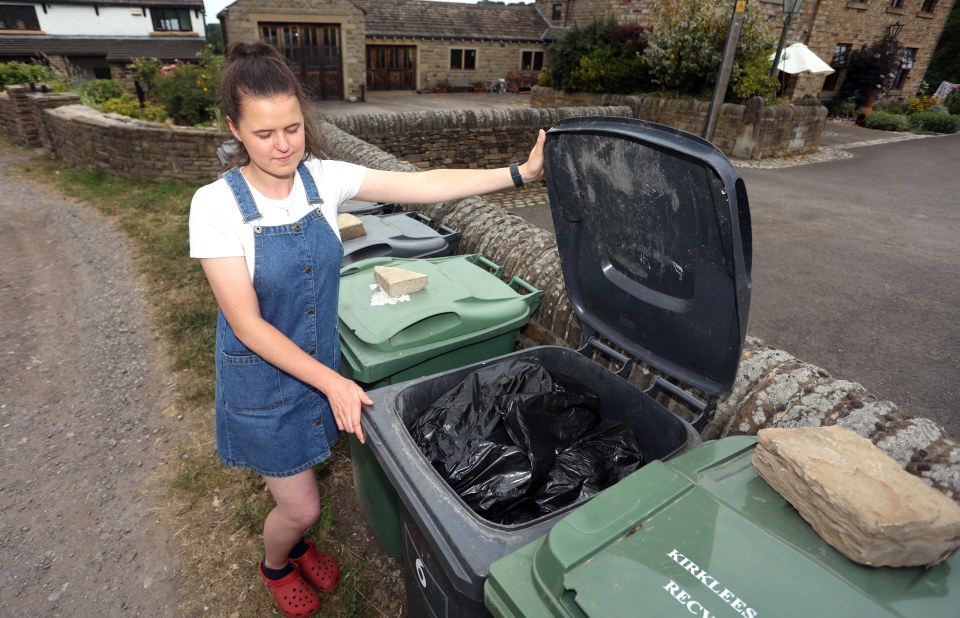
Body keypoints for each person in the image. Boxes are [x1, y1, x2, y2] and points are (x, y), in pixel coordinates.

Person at [189, 41, 545, 618]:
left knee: (304, 482)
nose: (282, 146)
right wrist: (332, 383)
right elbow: (248, 325)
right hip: (264, 382)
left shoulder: (323, 180)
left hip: (319, 365)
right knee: (301, 506)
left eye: (293, 128)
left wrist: (518, 173)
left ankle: (296, 545)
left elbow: (427, 184)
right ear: (233, 128)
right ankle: (276, 563)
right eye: (263, 134)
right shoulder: (215, 206)